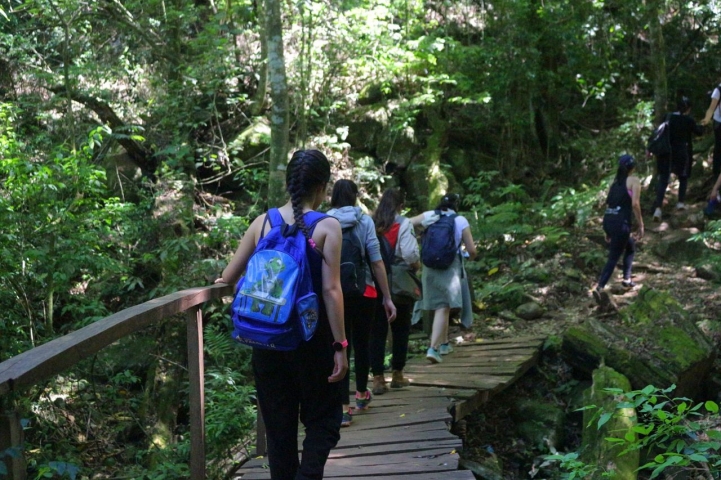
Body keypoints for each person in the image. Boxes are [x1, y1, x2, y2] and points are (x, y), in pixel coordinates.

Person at [216, 149, 348, 480]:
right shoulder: (327, 227)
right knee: (324, 418)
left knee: (279, 427)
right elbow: (332, 291)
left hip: (266, 340)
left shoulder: (263, 222)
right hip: (311, 340)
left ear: (290, 183)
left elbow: (226, 278)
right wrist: (340, 345)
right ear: (322, 187)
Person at [326, 180, 396, 427]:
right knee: (362, 343)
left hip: (334, 293)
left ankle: (343, 408)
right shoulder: (364, 220)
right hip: (364, 291)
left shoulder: (324, 220)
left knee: (340, 344)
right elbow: (376, 260)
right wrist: (387, 296)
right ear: (354, 196)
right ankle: (361, 395)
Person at [409, 193, 477, 364]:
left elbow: (405, 224)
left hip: (429, 266)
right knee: (443, 306)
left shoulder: (429, 216)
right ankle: (433, 348)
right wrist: (468, 256)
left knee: (440, 305)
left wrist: (417, 238)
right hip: (448, 266)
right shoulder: (460, 220)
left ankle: (445, 343)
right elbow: (472, 250)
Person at [369, 189, 420, 394]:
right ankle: (398, 374)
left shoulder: (372, 223)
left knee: (377, 331)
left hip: (375, 281)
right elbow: (408, 253)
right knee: (401, 329)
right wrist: (416, 265)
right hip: (399, 282)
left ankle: (378, 378)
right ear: (400, 205)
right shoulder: (403, 223)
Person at [595, 154, 644, 297]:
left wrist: (607, 230)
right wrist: (641, 224)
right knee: (613, 257)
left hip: (609, 221)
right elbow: (635, 204)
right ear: (633, 167)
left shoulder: (615, 183)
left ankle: (627, 279)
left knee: (630, 246)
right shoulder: (634, 180)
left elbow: (609, 204)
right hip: (620, 223)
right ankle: (600, 287)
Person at [652, 97, 704, 221]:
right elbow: (699, 132)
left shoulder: (668, 117)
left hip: (666, 152)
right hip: (682, 152)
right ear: (689, 109)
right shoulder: (689, 120)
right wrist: (702, 124)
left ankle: (658, 209)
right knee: (683, 177)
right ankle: (680, 203)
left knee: (663, 180)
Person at [702, 81, 721, 182]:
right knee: (718, 148)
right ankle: (716, 174)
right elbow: (711, 108)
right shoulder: (718, 90)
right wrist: (706, 119)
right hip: (719, 122)